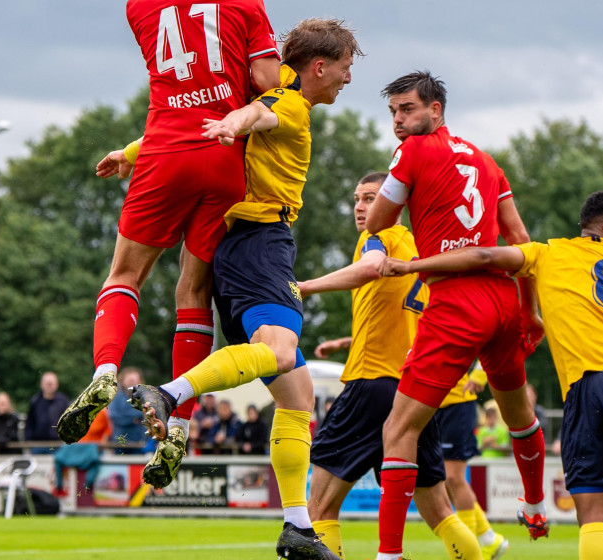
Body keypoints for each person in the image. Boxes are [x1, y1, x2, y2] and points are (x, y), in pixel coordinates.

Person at [127, 19, 359, 560]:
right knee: (278, 351)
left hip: (244, 244)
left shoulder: (265, 89)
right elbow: (256, 115)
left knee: (298, 397)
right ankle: (170, 393)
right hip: (259, 242)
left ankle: (296, 526)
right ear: (319, 67)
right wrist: (238, 122)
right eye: (346, 67)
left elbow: (203, 120)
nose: (348, 79)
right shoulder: (291, 102)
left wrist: (135, 152)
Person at [379, 190, 603, 560]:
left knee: (594, 513)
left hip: (595, 384)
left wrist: (415, 266)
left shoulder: (549, 252)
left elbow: (483, 255)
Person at [54, 0, 280, 448]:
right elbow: (267, 82)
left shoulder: (138, 8)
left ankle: (105, 371)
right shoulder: (245, 4)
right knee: (193, 291)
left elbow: (178, 88)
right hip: (223, 156)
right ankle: (178, 426)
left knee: (124, 275)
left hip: (163, 153)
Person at [364, 71, 549, 556]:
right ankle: (533, 502)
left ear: (436, 110)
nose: (399, 121)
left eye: (407, 109)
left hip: (455, 300)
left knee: (398, 429)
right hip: (505, 300)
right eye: (393, 113)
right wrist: (531, 312)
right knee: (519, 416)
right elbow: (522, 244)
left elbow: (379, 223)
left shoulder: (412, 152)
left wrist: (408, 201)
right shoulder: (489, 165)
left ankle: (389, 554)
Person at [298, 171, 482, 560]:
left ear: (393, 204)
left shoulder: (377, 238)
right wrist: (347, 341)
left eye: (370, 198)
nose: (361, 208)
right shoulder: (420, 250)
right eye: (357, 199)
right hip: (415, 391)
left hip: (372, 385)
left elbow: (368, 268)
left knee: (319, 508)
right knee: (439, 512)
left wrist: (302, 286)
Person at [434, 365, 508, 557]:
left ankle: (470, 547)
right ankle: (489, 539)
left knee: (453, 479)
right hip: (431, 402)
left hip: (457, 402)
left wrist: (480, 374)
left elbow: (490, 337)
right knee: (445, 480)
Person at [25, 372, 69, 452]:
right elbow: (29, 423)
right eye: (47, 383)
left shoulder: (63, 401)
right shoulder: (35, 401)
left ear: (57, 384)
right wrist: (29, 441)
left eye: (51, 383)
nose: (49, 386)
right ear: (42, 384)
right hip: (38, 444)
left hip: (57, 444)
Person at [108, 368, 148, 454]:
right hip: (119, 443)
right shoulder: (115, 398)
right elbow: (114, 416)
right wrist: (134, 419)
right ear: (122, 381)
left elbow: (145, 415)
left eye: (135, 380)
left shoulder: (144, 398)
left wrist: (136, 416)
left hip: (140, 443)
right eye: (130, 380)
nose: (132, 383)